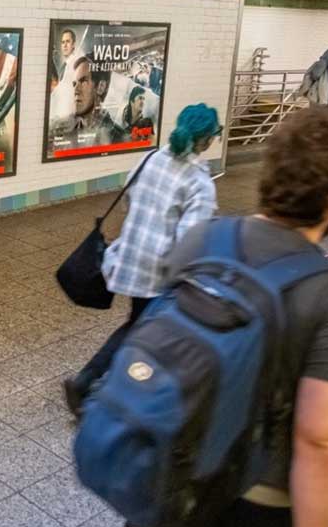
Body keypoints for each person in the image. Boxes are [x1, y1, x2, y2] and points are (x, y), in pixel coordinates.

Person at [163, 106, 328, 527]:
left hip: (168, 470)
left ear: (268, 174)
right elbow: (321, 440)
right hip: (253, 499)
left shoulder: (201, 238)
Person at [62, 104, 222, 414]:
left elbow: (129, 200)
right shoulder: (199, 183)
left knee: (141, 324)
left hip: (131, 254)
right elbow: (190, 242)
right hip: (159, 270)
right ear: (206, 141)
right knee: (142, 328)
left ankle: (105, 383)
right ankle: (90, 382)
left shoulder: (150, 158)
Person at [50, 56, 123, 152]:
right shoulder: (64, 128)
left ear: (101, 87)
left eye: (83, 81)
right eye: (74, 84)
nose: (76, 90)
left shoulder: (118, 137)